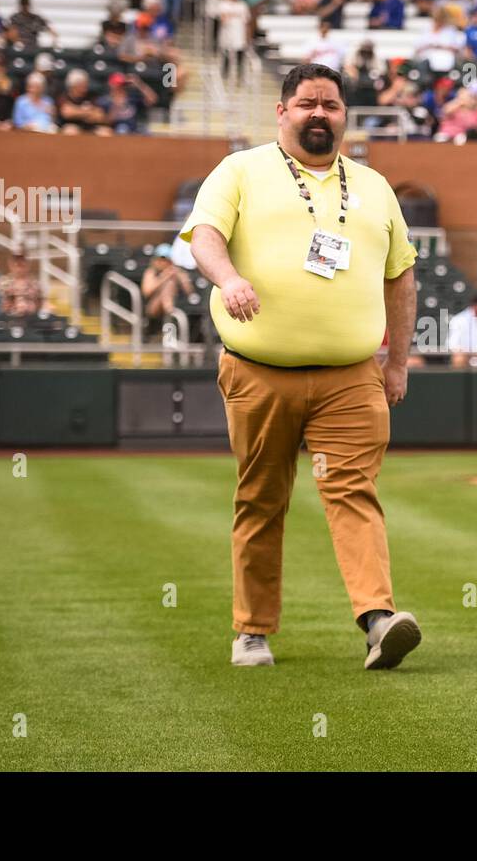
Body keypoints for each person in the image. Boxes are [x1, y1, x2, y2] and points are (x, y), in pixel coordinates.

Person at [180, 63, 421, 671]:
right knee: (261, 498)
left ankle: (377, 621)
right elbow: (204, 234)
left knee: (354, 492)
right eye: (308, 103)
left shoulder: (374, 185)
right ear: (282, 112)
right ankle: (252, 630)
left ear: (345, 115)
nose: (320, 114)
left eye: (332, 105)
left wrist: (398, 362)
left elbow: (401, 276)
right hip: (259, 369)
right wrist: (229, 277)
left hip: (351, 375)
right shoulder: (240, 170)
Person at [140, 244, 193, 321]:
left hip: (178, 304)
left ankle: (170, 313)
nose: (162, 262)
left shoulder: (177, 271)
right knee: (169, 284)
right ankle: (170, 313)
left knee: (170, 283)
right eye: (160, 259)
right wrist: (164, 277)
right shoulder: (151, 272)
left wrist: (181, 277)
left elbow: (190, 292)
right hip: (153, 307)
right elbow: (146, 292)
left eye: (165, 260)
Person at [216, 0, 251, 85]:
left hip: (240, 36)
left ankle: (240, 78)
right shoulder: (223, 4)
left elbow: (246, 22)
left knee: (240, 59)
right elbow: (223, 19)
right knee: (226, 58)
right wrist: (234, 15)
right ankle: (224, 76)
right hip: (227, 36)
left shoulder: (243, 5)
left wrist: (247, 37)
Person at [57, 69, 107, 135]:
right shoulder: (64, 97)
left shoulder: (91, 96)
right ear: (74, 85)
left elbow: (100, 115)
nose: (86, 87)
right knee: (71, 130)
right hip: (70, 126)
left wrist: (77, 112)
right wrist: (88, 112)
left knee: (105, 132)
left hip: (89, 127)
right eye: (82, 84)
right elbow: (67, 113)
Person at [0, 252, 43, 317]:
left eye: (22, 263)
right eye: (16, 263)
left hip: (31, 319)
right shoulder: (3, 282)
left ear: (27, 264)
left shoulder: (35, 283)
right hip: (9, 319)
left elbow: (40, 302)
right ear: (10, 264)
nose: (19, 267)